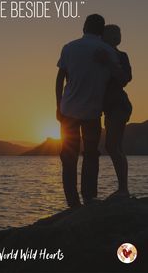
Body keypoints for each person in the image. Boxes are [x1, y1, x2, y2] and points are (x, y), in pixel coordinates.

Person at [56, 14, 127, 208]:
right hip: (92, 112)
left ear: (84, 27)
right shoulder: (107, 50)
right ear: (101, 30)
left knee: (68, 156)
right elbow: (121, 79)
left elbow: (60, 77)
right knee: (90, 154)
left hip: (68, 110)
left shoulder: (69, 47)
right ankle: (89, 197)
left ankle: (72, 203)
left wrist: (58, 104)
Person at [101, 25, 132, 198]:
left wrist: (109, 62)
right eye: (111, 32)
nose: (116, 35)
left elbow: (124, 79)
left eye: (118, 32)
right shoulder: (98, 53)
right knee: (114, 145)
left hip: (119, 105)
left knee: (113, 145)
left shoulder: (121, 56)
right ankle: (123, 189)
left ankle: (123, 189)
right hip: (108, 108)